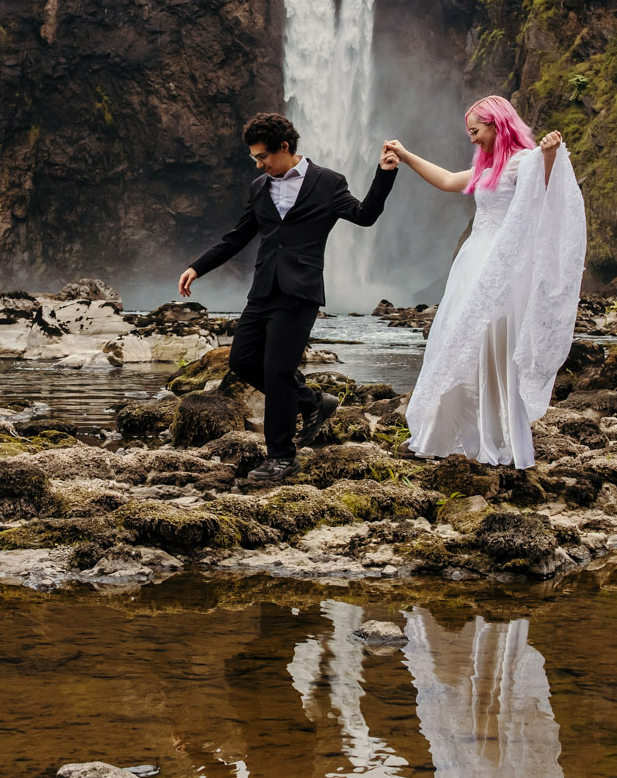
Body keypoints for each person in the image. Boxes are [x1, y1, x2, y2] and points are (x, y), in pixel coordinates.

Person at [179, 111, 399, 487]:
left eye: (262, 156)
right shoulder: (259, 186)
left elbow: (364, 215)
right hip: (263, 289)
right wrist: (198, 267)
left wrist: (385, 173)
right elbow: (237, 236)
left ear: (284, 147)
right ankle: (313, 402)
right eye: (255, 158)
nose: (259, 163)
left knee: (278, 371)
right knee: (243, 361)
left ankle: (281, 458)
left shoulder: (328, 182)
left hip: (300, 291)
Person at [382, 95, 586, 468]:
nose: (472, 139)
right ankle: (437, 436)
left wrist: (552, 154)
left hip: (503, 266)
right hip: (473, 262)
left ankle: (500, 438)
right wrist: (406, 156)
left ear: (497, 124)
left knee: (494, 348)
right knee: (456, 343)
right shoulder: (488, 168)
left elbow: (548, 186)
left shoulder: (526, 161)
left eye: (476, 131)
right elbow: (446, 180)